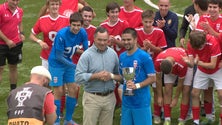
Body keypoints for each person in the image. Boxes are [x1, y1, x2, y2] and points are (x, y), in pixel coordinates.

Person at [75, 26, 123, 125]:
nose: (102, 43)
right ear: (94, 38)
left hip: (109, 97)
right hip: (92, 98)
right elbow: (78, 77)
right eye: (99, 40)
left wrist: (111, 76)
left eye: (105, 40)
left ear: (108, 39)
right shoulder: (86, 55)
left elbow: (120, 76)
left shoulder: (113, 54)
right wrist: (96, 76)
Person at [48, 12, 88, 125]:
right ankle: (55, 121)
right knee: (59, 91)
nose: (76, 28)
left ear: (81, 25)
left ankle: (68, 119)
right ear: (69, 24)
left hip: (68, 63)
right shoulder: (61, 35)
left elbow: (87, 51)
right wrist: (76, 66)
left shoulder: (83, 33)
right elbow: (59, 56)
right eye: (73, 25)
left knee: (74, 89)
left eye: (78, 25)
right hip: (56, 64)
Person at [135, 9, 167, 124]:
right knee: (139, 88)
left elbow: (162, 50)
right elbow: (135, 49)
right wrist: (143, 48)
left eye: (150, 22)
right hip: (140, 66)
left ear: (153, 21)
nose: (148, 25)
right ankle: (139, 111)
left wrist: (151, 47)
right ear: (142, 21)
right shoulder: (136, 31)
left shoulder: (159, 32)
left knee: (156, 89)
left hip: (154, 65)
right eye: (146, 22)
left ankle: (157, 113)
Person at [119, 27, 156, 125]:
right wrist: (110, 76)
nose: (126, 42)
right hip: (127, 102)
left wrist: (137, 86)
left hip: (141, 102)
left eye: (129, 39)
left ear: (135, 40)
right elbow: (123, 78)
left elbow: (152, 78)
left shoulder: (144, 57)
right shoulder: (122, 57)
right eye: (124, 39)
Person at [187, 30, 222, 125]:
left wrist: (198, 62)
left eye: (202, 46)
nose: (201, 48)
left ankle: (217, 119)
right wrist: (188, 62)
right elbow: (191, 63)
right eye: (199, 47)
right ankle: (196, 121)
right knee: (194, 93)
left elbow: (213, 65)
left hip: (217, 69)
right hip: (202, 70)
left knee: (220, 94)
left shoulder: (213, 42)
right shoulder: (190, 44)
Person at [154, 47, 193, 125]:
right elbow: (158, 79)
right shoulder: (158, 61)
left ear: (173, 66)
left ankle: (182, 119)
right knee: (167, 90)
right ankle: (167, 118)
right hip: (171, 60)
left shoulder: (182, 63)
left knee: (186, 90)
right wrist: (159, 96)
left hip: (185, 64)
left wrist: (176, 98)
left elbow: (180, 83)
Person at [29, 0, 69, 69]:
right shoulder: (42, 20)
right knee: (45, 78)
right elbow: (31, 36)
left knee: (59, 78)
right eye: (52, 4)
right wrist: (40, 41)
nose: (55, 6)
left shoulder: (66, 20)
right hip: (46, 56)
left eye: (57, 4)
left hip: (61, 56)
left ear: (60, 5)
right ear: (48, 6)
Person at [0, 0, 25, 91]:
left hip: (15, 44)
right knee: (0, 68)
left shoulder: (20, 10)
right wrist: (7, 41)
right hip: (1, 45)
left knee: (13, 67)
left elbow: (20, 22)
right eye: (13, 0)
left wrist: (21, 33)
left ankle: (13, 90)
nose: (15, 2)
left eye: (17, 0)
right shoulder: (1, 9)